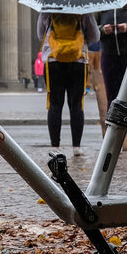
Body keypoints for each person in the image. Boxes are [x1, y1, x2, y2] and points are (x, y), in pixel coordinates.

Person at [37, 10, 99, 155]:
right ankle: (76, 147)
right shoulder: (83, 9)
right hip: (78, 60)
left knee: (55, 104)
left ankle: (55, 146)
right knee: (76, 104)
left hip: (53, 60)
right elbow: (95, 36)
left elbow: (41, 35)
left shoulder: (47, 10)